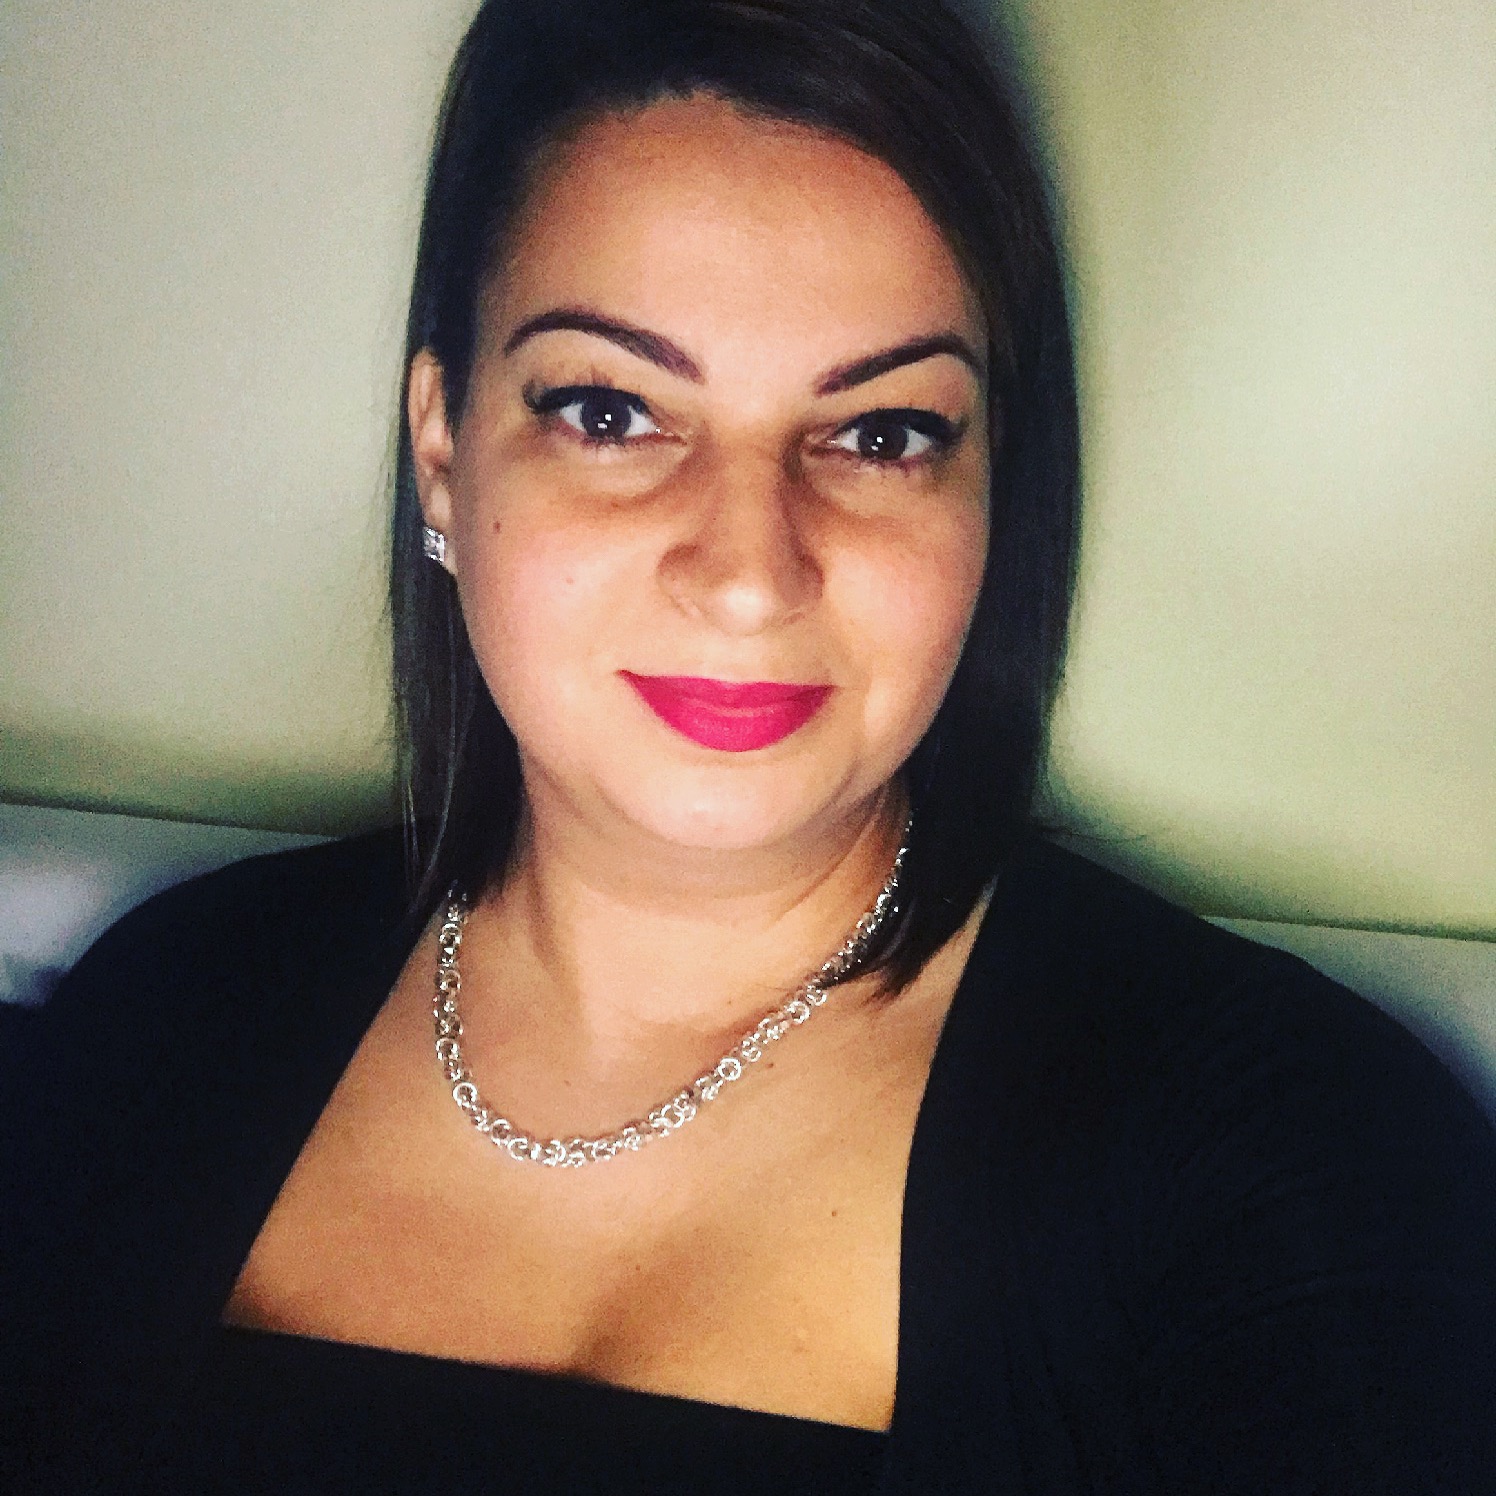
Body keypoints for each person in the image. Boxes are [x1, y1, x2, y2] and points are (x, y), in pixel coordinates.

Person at [5, 0, 1496, 1491]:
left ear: (992, 489)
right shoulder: (162, 1022)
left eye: (882, 434)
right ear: (443, 449)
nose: (747, 573)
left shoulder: (1298, 1160)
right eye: (610, 411)